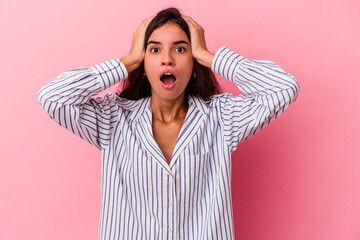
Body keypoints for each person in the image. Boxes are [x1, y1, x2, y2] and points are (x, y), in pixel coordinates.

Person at [38, 7, 300, 240]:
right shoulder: (113, 119)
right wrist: (128, 61)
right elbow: (53, 97)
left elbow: (284, 88)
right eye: (154, 50)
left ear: (194, 65)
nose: (167, 59)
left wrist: (208, 56)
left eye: (180, 48)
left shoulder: (222, 118)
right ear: (143, 65)